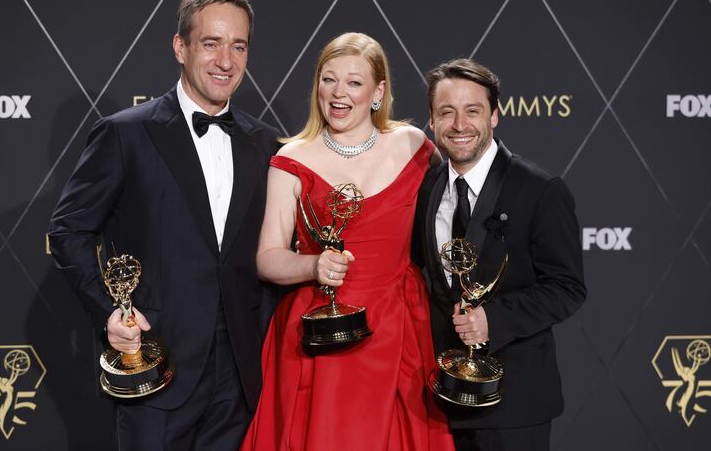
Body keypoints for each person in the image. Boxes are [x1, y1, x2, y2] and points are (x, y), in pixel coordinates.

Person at [48, 0, 279, 451]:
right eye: (210, 43)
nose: (226, 61)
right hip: (156, 364)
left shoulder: (265, 144)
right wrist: (108, 311)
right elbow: (68, 229)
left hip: (241, 374)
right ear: (180, 47)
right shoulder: (124, 135)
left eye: (238, 46)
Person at [240, 32, 455, 451]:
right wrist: (313, 265)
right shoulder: (291, 159)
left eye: (354, 83)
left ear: (378, 92)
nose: (339, 94)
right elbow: (267, 257)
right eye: (328, 79)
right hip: (324, 333)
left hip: (401, 327)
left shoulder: (416, 147)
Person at [412, 58, 587, 451]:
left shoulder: (540, 190)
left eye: (473, 111)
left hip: (513, 404)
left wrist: (493, 320)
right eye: (447, 112)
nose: (460, 125)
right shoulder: (428, 187)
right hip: (440, 402)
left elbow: (567, 287)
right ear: (432, 121)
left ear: (495, 116)